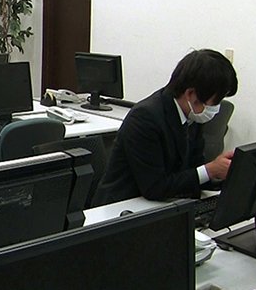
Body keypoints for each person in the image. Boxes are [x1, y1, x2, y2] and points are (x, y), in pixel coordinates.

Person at [92, 49, 238, 206]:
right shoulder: (145, 118)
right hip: (122, 206)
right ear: (190, 94)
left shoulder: (192, 115)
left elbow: (193, 169)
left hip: (165, 202)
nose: (216, 108)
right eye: (215, 101)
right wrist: (209, 170)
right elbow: (154, 187)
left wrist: (220, 173)